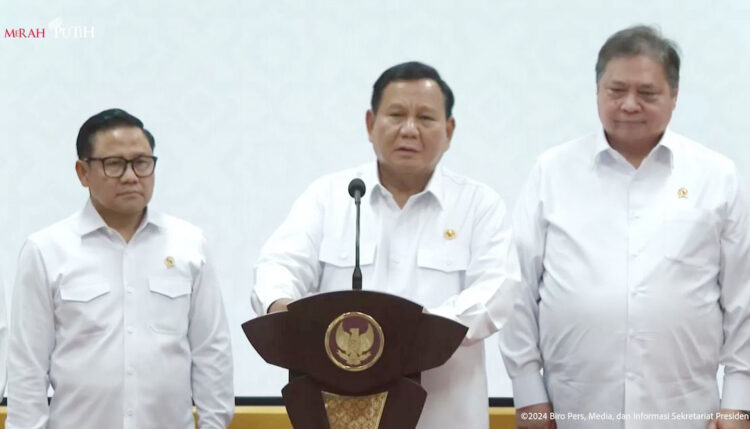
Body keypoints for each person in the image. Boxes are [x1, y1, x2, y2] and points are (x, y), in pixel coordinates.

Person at [500, 25, 750, 429]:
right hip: (572, 410)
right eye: (616, 91)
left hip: (686, 412)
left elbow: (743, 298)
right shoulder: (553, 171)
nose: (629, 104)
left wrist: (738, 401)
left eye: (647, 94)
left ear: (674, 97)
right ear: (598, 91)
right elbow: (517, 289)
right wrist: (528, 394)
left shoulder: (716, 176)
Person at [251, 61, 520, 429]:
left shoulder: (478, 205)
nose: (409, 129)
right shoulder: (330, 197)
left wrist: (423, 331)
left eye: (425, 117)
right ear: (370, 123)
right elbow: (278, 265)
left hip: (445, 416)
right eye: (396, 115)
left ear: (449, 130)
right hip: (338, 414)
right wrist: (279, 303)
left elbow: (499, 289)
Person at [7, 109, 234, 429]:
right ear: (82, 172)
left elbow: (212, 352)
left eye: (142, 162)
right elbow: (27, 369)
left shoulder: (189, 245)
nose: (131, 176)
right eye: (114, 164)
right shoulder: (46, 250)